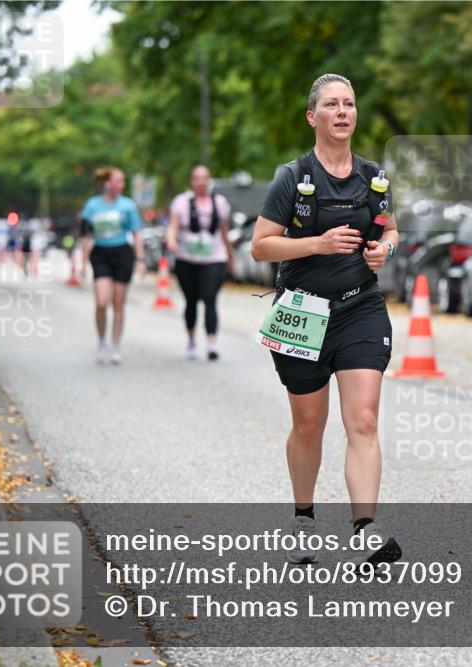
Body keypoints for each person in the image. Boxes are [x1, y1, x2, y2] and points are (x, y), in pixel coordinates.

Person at [251, 73, 401, 565]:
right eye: (332, 105)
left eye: (350, 104)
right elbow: (260, 246)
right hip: (303, 311)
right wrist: (316, 243)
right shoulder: (292, 177)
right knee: (309, 424)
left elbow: (390, 229)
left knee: (363, 419)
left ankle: (366, 529)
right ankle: (303, 517)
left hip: (361, 307)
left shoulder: (374, 176)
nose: (343, 112)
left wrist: (384, 251)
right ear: (313, 116)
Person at [166, 166, 234, 361]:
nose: (201, 182)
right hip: (186, 258)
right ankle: (191, 340)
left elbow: (223, 230)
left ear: (209, 180)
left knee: (209, 297)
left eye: (204, 178)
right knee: (191, 300)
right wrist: (170, 240)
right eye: (197, 178)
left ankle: (212, 344)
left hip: (214, 258)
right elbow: (173, 226)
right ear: (191, 181)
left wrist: (230, 255)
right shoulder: (181, 202)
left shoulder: (219, 203)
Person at [79, 166, 145, 365]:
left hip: (122, 253)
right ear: (107, 183)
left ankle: (115, 344)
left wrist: (140, 260)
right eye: (118, 181)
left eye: (123, 181)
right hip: (100, 254)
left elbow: (137, 233)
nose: (121, 185)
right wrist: (82, 262)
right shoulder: (92, 206)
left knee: (118, 304)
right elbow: (85, 235)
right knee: (101, 302)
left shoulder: (128, 205)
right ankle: (101, 342)